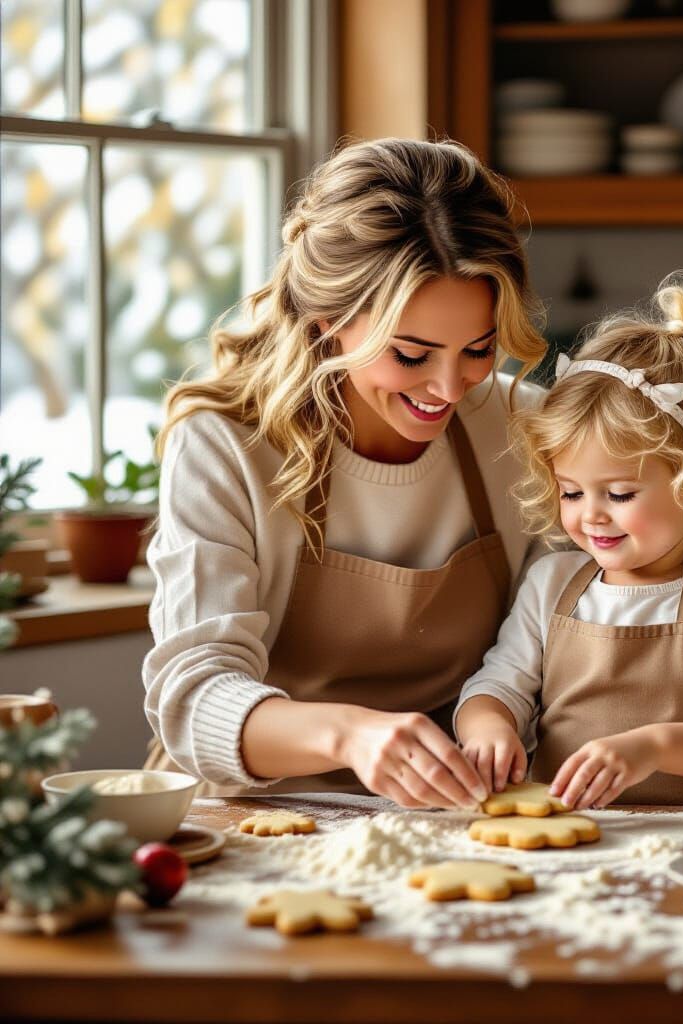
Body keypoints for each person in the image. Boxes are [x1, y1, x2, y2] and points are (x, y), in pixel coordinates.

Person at [142, 137, 549, 807]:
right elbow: (194, 698)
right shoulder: (227, 443)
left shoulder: (517, 425)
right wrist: (350, 737)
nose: (449, 388)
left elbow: (566, 641)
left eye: (478, 348)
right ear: (328, 325)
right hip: (258, 813)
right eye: (412, 354)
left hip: (461, 813)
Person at [454, 272, 683, 809]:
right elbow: (498, 684)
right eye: (571, 492)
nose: (590, 517)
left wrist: (655, 746)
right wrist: (488, 728)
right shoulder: (552, 584)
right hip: (578, 848)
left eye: (619, 494)